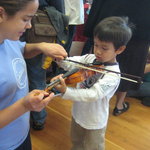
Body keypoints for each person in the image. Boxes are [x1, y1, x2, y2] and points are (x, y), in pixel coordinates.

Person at [50, 16, 132, 150]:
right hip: (78, 113)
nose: (98, 51)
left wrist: (66, 91)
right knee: (76, 142)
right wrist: (60, 60)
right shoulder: (90, 58)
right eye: (96, 45)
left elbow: (93, 94)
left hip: (95, 121)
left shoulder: (113, 75)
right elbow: (72, 63)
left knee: (93, 147)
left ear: (119, 49)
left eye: (104, 48)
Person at [0, 0, 67, 150]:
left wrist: (40, 46)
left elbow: (21, 50)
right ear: (1, 14)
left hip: (20, 133)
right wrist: (25, 105)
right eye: (25, 19)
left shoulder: (8, 37)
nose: (30, 25)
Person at [83, 0, 150, 116]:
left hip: (110, 17)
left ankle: (92, 93)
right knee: (130, 65)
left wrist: (91, 28)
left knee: (103, 57)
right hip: (141, 25)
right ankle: (119, 104)